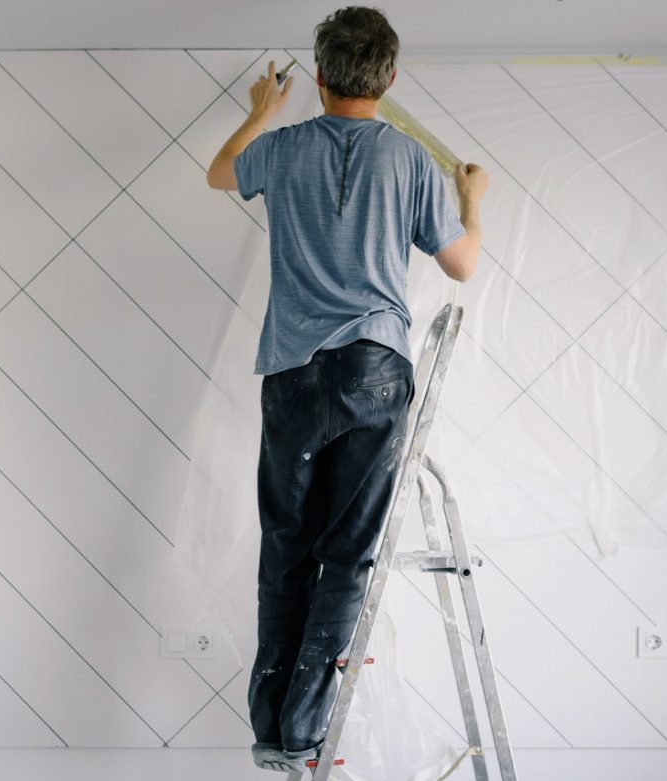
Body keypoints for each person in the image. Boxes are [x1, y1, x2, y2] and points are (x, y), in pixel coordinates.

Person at [205, 6, 488, 773]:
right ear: (389, 78)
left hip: (294, 374)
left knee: (286, 546)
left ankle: (274, 733)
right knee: (348, 554)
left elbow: (219, 173)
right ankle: (307, 731)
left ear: (321, 75)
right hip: (373, 370)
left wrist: (260, 113)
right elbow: (462, 264)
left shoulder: (284, 148)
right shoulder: (407, 160)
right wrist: (473, 199)